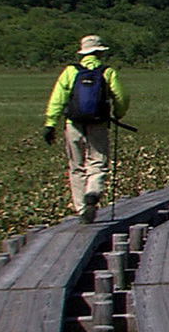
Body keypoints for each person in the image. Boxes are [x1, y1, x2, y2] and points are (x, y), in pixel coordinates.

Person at [43, 35, 130, 222]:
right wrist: (118, 114)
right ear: (100, 53)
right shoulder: (107, 72)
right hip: (98, 123)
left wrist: (50, 123)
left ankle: (82, 209)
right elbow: (121, 97)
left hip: (73, 124)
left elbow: (58, 98)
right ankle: (93, 192)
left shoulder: (70, 71)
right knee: (97, 162)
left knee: (76, 166)